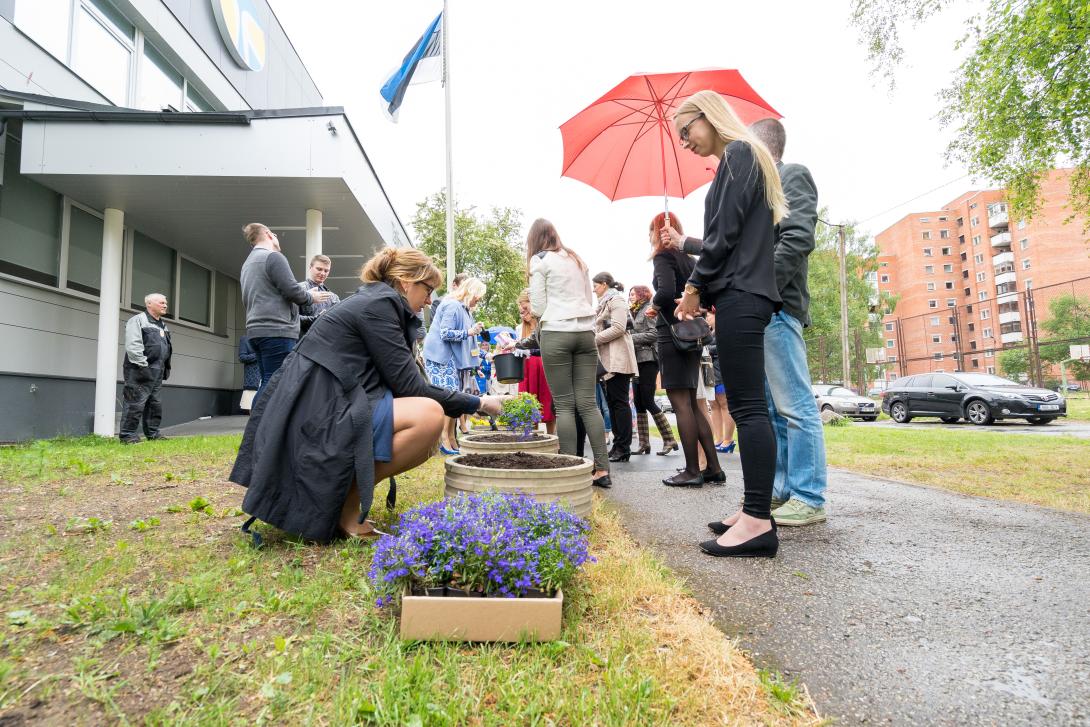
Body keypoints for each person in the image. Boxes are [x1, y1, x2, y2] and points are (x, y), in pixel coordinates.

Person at [230, 247, 504, 542]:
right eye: (428, 290)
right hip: (318, 410)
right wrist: (479, 402)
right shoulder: (380, 305)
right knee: (428, 416)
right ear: (406, 282)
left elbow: (401, 381)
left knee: (427, 419)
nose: (429, 301)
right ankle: (342, 506)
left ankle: (341, 500)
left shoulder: (378, 301)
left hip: (325, 402)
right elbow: (411, 387)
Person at [665, 90, 789, 558]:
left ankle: (757, 520)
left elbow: (724, 236)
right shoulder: (741, 161)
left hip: (743, 296)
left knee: (749, 408)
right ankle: (753, 509)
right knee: (745, 406)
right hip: (742, 294)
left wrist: (695, 287)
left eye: (686, 130)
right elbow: (733, 240)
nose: (685, 141)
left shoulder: (740, 154)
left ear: (709, 116)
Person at [748, 117, 827, 527]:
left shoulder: (791, 176)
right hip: (763, 311)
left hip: (778, 308)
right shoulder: (760, 192)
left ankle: (809, 497)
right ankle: (782, 491)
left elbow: (797, 239)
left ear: (763, 146)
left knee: (796, 407)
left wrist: (763, 292)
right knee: (775, 410)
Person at [526, 218, 611, 487]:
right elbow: (588, 298)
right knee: (588, 404)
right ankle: (602, 470)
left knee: (564, 405)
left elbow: (538, 307)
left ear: (534, 239)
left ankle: (570, 467)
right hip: (586, 333)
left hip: (556, 332)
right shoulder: (576, 259)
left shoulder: (539, 260)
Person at [650, 212, 723, 488]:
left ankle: (692, 470)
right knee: (693, 404)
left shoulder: (663, 257)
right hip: (692, 334)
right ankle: (713, 467)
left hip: (672, 334)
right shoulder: (689, 259)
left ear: (658, 232)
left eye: (651, 231)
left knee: (681, 404)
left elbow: (666, 291)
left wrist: (654, 306)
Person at [239, 223, 329, 400]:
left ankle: (258, 419)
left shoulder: (248, 264)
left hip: (256, 331)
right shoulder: (273, 257)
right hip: (277, 331)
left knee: (267, 381)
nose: (277, 238)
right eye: (275, 234)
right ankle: (261, 419)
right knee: (275, 383)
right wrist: (311, 297)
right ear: (268, 234)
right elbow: (292, 291)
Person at [422, 277, 487, 454]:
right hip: (440, 357)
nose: (478, 300)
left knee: (454, 399)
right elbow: (445, 333)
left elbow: (468, 338)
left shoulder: (464, 309)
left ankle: (451, 437)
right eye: (478, 296)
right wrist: (469, 331)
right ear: (471, 292)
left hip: (451, 358)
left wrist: (475, 334)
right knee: (448, 398)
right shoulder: (452, 305)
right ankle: (443, 439)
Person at [592, 273, 638, 462]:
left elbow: (619, 327)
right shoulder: (605, 302)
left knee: (619, 403)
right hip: (608, 359)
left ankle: (624, 448)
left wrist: (594, 339)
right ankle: (618, 444)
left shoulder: (616, 300)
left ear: (604, 284)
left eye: (595, 285)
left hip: (618, 358)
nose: (593, 289)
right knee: (612, 404)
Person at [629, 285, 679, 455]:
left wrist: (630, 338)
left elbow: (654, 334)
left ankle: (669, 439)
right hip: (637, 361)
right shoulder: (634, 311)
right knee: (638, 402)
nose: (630, 296)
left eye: (633, 294)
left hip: (649, 359)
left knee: (648, 401)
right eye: (630, 294)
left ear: (642, 294)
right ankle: (644, 443)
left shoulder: (648, 309)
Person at [119, 293, 172, 444]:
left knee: (155, 404)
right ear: (149, 304)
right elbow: (133, 345)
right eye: (161, 302)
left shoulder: (162, 325)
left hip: (158, 370)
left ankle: (153, 434)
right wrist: (143, 365)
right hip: (139, 369)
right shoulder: (137, 320)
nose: (165, 305)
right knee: (135, 403)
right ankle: (128, 436)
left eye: (165, 302)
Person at [510, 289, 556, 433]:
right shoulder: (519, 329)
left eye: (525, 309)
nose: (524, 314)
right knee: (528, 402)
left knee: (547, 401)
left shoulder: (543, 323)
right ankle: (531, 436)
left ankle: (551, 436)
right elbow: (518, 347)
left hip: (543, 366)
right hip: (527, 369)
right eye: (521, 312)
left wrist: (528, 350)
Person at [705, 313, 736, 453]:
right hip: (710, 371)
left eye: (709, 316)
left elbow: (725, 347)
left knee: (725, 404)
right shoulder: (709, 332)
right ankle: (718, 439)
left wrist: (707, 350)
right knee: (713, 404)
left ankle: (728, 440)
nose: (707, 318)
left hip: (723, 371)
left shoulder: (725, 329)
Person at [299, 254, 341, 335]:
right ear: (310, 267)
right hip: (304, 339)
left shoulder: (333, 298)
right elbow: (290, 317)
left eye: (326, 271)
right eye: (319, 269)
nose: (323, 273)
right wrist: (315, 319)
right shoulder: (298, 290)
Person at [238, 336, 260, 413]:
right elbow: (242, 357)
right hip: (253, 379)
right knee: (252, 408)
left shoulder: (266, 337)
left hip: (267, 377)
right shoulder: (245, 339)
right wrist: (258, 354)